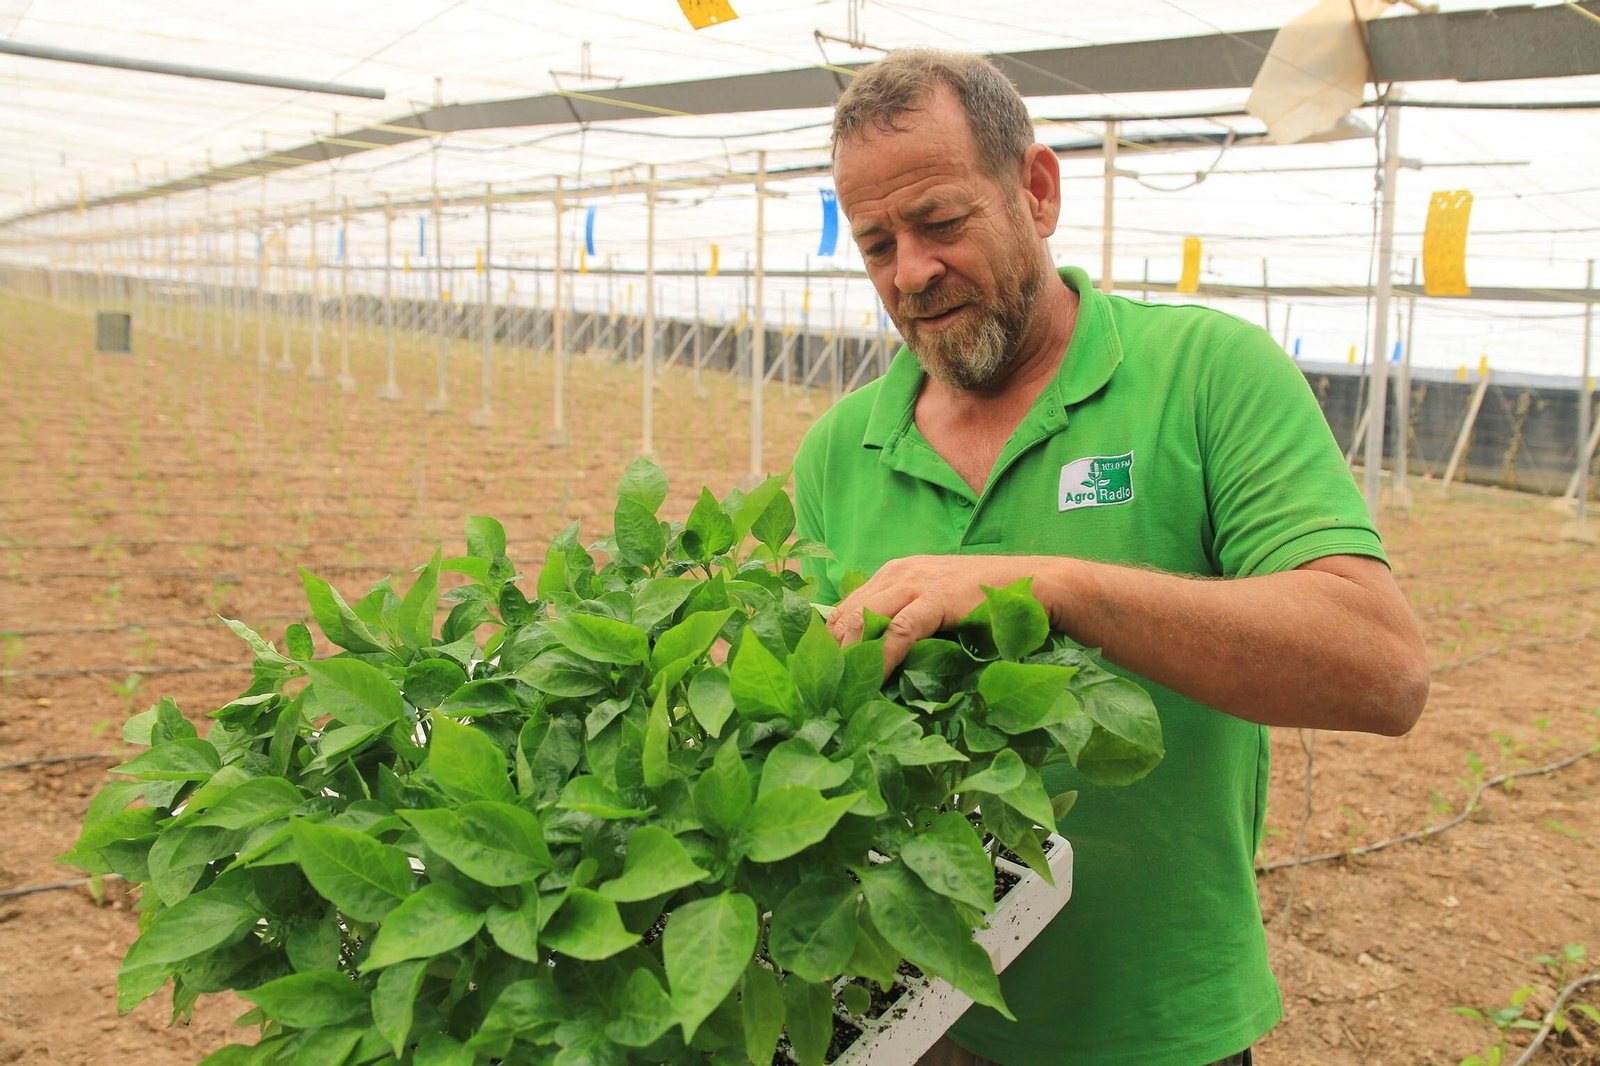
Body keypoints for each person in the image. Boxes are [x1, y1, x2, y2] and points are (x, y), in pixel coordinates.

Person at [793, 48, 1429, 1066]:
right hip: (911, 1026)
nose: (909, 272)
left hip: (1155, 1028)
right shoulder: (839, 450)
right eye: (877, 244)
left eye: (941, 222)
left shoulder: (1206, 376)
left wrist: (1052, 584)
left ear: (1037, 191)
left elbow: (1382, 671)